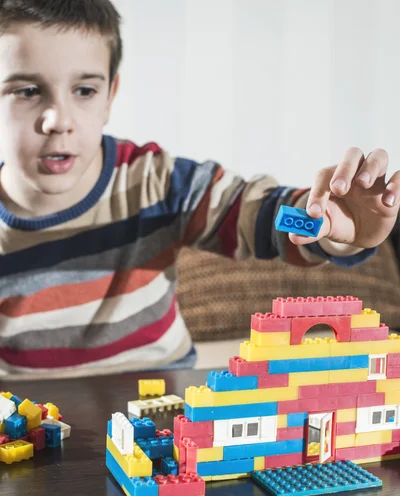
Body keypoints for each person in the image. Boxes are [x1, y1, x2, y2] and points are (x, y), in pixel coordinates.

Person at [0, 0, 398, 381]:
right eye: (27, 92)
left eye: (84, 91)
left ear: (109, 97)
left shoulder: (158, 181)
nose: (57, 120)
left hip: (166, 409)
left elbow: (261, 217)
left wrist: (335, 227)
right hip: (30, 424)